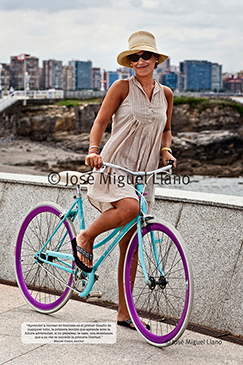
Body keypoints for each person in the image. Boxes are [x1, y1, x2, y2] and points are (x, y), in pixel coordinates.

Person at [71, 30, 176, 329]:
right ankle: (85, 237)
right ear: (130, 61)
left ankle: (123, 311)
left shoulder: (166, 94)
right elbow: (100, 122)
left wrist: (166, 151)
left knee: (129, 244)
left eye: (145, 55)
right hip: (115, 164)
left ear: (156, 59)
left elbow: (166, 129)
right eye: (135, 57)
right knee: (129, 208)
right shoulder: (121, 87)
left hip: (143, 171)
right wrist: (93, 150)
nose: (140, 61)